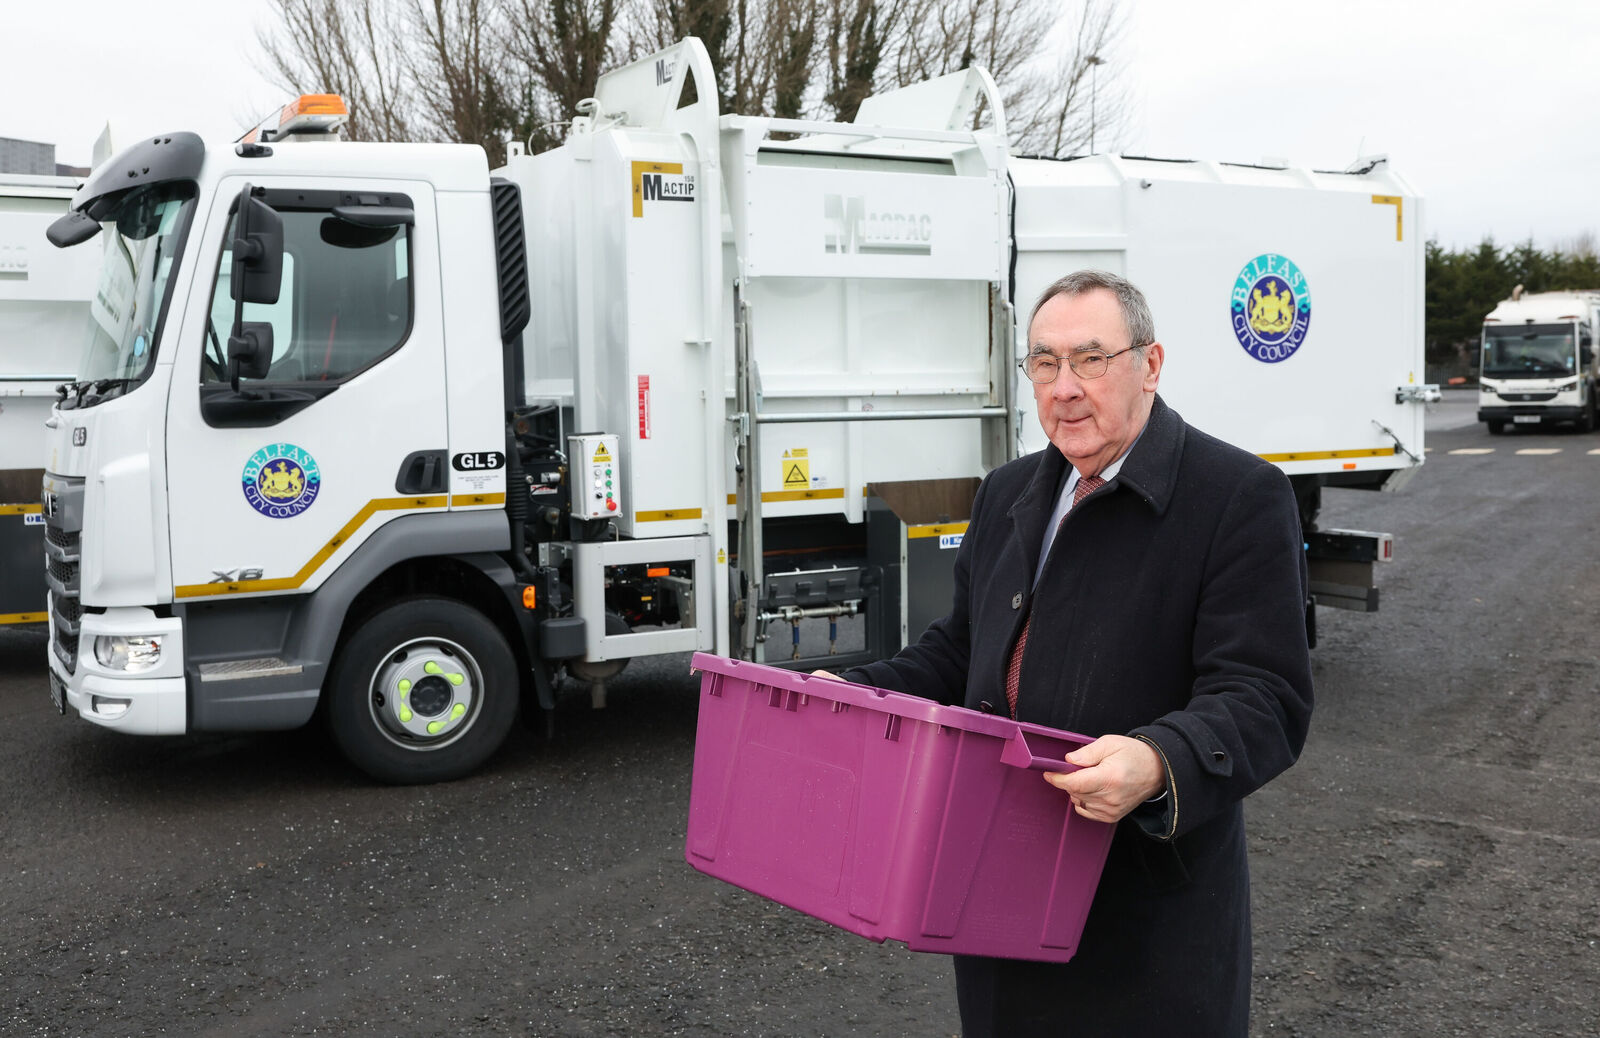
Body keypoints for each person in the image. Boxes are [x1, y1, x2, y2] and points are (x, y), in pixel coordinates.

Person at [837, 269, 1314, 1037]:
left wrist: (1159, 760)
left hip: (1145, 919)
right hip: (995, 886)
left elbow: (1263, 695)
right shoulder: (1008, 491)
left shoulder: (1238, 497)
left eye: (1091, 359)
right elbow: (958, 653)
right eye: (1044, 363)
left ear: (1149, 365)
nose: (1064, 387)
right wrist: (849, 690)